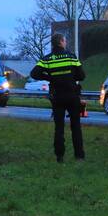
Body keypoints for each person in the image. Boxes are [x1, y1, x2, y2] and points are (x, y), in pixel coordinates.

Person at [30, 33, 86, 162]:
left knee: (59, 127)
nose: (65, 43)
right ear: (61, 42)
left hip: (57, 96)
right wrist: (71, 77)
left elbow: (34, 73)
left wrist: (50, 77)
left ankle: (59, 156)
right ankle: (79, 156)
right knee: (76, 126)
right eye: (65, 41)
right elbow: (82, 76)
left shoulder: (47, 59)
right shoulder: (72, 57)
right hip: (72, 95)